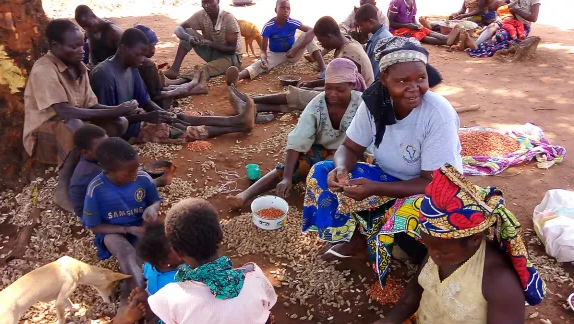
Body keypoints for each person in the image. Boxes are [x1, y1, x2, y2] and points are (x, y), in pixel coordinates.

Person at [302, 37, 462, 272]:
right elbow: (350, 148)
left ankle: (405, 249)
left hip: (435, 191)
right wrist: (341, 168)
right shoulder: (374, 103)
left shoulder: (437, 114)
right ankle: (352, 237)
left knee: (418, 221)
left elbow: (433, 183)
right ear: (385, 79)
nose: (413, 87)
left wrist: (375, 188)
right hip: (390, 178)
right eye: (402, 80)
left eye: (420, 78)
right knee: (322, 171)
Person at [373, 164, 546, 324]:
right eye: (428, 245)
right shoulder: (439, 248)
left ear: (475, 239)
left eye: (442, 251)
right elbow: (413, 293)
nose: (432, 255)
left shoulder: (500, 283)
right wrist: (389, 321)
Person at [23, 19, 137, 213]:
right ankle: (63, 188)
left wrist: (121, 109)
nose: (81, 49)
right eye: (74, 46)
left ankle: (102, 170)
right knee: (74, 126)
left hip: (73, 123)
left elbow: (92, 105)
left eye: (81, 43)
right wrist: (114, 110)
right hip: (43, 136)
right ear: (55, 46)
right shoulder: (44, 70)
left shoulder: (79, 67)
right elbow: (64, 111)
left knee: (120, 122)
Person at [227, 58, 367, 209]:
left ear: (352, 86)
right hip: (320, 151)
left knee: (338, 174)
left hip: (352, 155)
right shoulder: (318, 104)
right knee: (291, 167)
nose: (332, 94)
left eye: (340, 90)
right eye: (328, 88)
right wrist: (287, 178)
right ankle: (244, 196)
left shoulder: (362, 104)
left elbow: (370, 143)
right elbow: (298, 138)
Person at [90, 28, 257, 144]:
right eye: (138, 54)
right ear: (123, 48)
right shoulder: (104, 75)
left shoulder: (131, 67)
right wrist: (145, 118)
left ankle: (236, 120)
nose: (142, 60)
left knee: (178, 118)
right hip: (126, 132)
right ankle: (238, 125)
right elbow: (111, 123)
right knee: (182, 132)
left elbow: (145, 100)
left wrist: (162, 114)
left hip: (137, 117)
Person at [146, 198, 277, 323]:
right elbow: (268, 306)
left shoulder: (170, 297)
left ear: (178, 252)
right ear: (220, 234)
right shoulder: (255, 276)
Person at [235, 16, 375, 114]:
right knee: (302, 96)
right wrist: (313, 84)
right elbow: (340, 81)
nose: (321, 44)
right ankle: (252, 103)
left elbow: (340, 86)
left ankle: (251, 102)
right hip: (346, 93)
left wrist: (314, 86)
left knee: (298, 95)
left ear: (330, 37)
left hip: (355, 102)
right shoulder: (348, 42)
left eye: (321, 40)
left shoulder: (349, 54)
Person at [82, 137, 161, 302]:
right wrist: (126, 230)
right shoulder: (96, 189)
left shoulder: (143, 178)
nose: (135, 175)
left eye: (136, 169)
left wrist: (152, 208)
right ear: (108, 171)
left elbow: (155, 200)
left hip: (140, 227)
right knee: (125, 252)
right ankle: (140, 295)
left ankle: (133, 287)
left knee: (148, 254)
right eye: (129, 173)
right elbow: (95, 227)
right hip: (113, 232)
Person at [225, 0, 326, 84]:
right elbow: (263, 50)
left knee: (307, 35)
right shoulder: (268, 26)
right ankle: (237, 77)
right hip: (276, 55)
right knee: (260, 64)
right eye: (282, 8)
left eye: (288, 8)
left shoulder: (292, 22)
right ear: (275, 10)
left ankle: (323, 68)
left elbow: (312, 30)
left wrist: (296, 49)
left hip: (293, 53)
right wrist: (264, 59)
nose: (286, 11)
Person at [133, 25, 208, 110]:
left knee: (169, 87)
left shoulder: (131, 59)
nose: (154, 49)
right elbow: (156, 96)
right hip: (154, 106)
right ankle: (195, 86)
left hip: (144, 98)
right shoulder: (147, 64)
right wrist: (176, 91)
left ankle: (182, 83)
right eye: (153, 45)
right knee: (172, 92)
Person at [164, 0, 242, 80]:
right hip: (214, 52)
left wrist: (211, 44)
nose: (207, 6)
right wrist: (188, 38)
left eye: (210, 2)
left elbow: (232, 49)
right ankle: (174, 69)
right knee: (188, 31)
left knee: (203, 69)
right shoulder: (201, 15)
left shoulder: (228, 18)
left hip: (231, 58)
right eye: (204, 2)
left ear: (218, 1)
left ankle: (179, 82)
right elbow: (179, 28)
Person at [465, 0, 541, 57]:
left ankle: (476, 45)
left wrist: (515, 10)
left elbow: (533, 18)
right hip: (506, 21)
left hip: (521, 26)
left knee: (500, 36)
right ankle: (475, 44)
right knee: (492, 27)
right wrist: (498, 16)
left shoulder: (535, 1)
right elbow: (496, 6)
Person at [69, 125, 108, 217]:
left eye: (108, 143)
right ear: (85, 152)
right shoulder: (91, 172)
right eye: (101, 148)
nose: (108, 149)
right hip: (92, 214)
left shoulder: (98, 158)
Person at [137, 223, 184, 296]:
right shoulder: (180, 280)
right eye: (176, 248)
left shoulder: (149, 266)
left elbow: (146, 276)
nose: (183, 246)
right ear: (164, 263)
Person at [355, 4, 393, 80]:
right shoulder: (375, 36)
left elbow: (374, 73)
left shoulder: (382, 40)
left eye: (361, 25)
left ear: (371, 22)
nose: (359, 29)